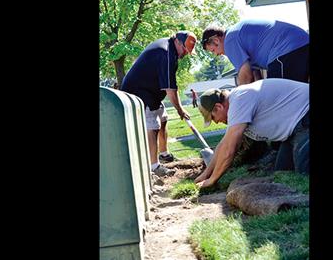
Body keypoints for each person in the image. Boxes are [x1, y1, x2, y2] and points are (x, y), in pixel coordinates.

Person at [194, 78, 309, 188]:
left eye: (213, 118)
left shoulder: (239, 100)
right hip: (294, 130)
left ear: (218, 107)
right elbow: (223, 145)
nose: (217, 122)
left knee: (305, 171)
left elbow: (230, 149)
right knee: (282, 171)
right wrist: (206, 174)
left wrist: (212, 180)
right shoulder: (236, 103)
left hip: (306, 116)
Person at [120, 31, 197, 176]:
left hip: (151, 92)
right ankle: (154, 166)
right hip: (139, 92)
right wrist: (180, 110)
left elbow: (172, 86)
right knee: (153, 125)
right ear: (178, 42)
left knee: (163, 119)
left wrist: (179, 108)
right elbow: (170, 90)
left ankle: (164, 155)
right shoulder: (165, 53)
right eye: (185, 50)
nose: (185, 54)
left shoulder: (169, 49)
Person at [200, 19, 309, 85]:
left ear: (216, 40)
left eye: (213, 50)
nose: (217, 54)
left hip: (287, 50)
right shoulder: (238, 35)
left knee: (279, 98)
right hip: (302, 43)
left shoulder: (229, 40)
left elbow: (246, 77)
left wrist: (241, 100)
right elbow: (255, 78)